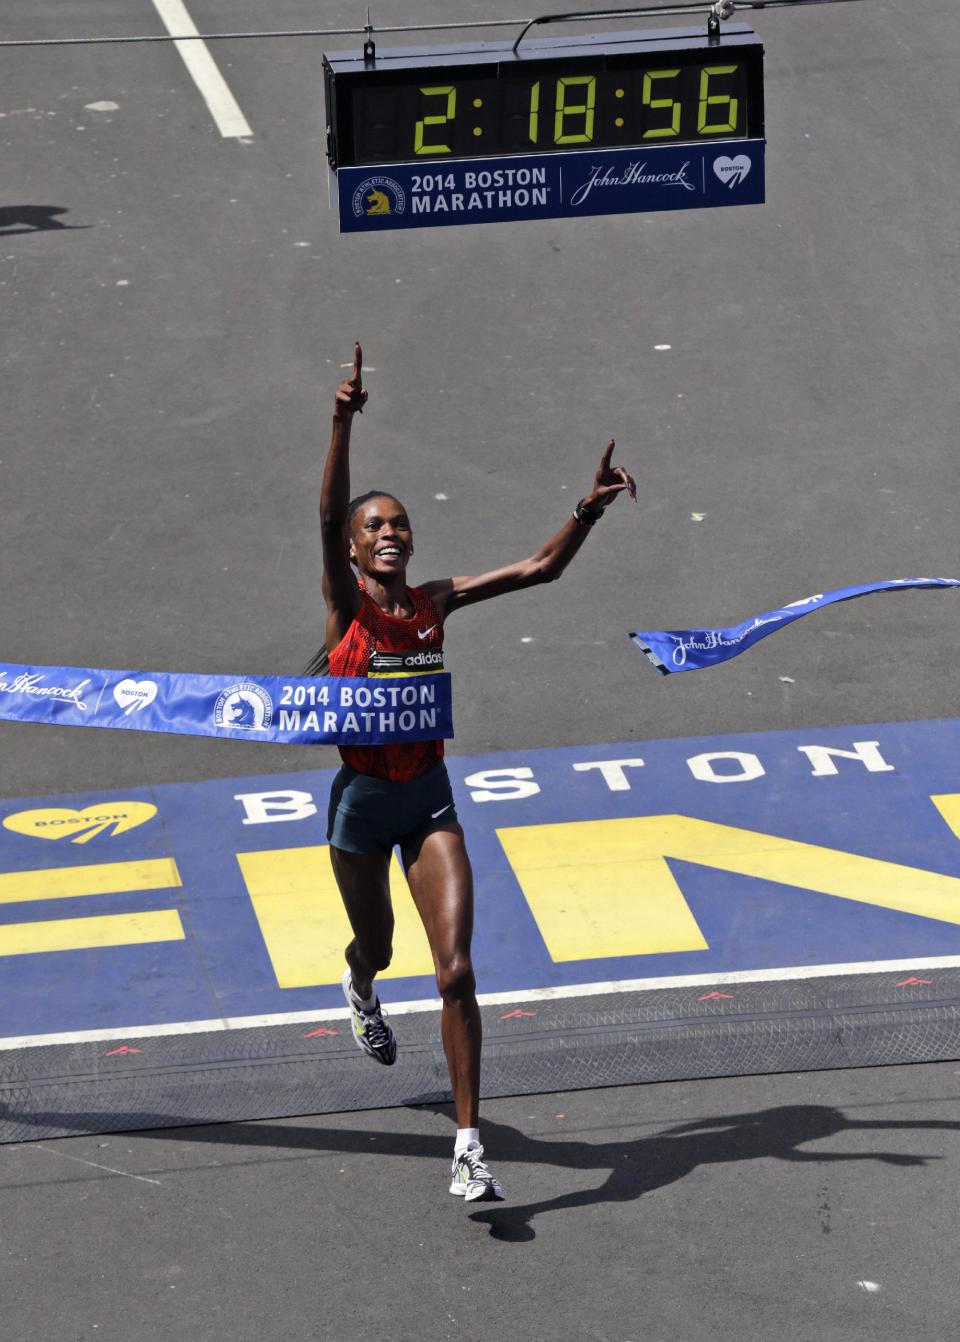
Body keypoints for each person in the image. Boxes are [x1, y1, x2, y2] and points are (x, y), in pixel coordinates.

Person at [319, 343, 635, 1204]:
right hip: (360, 808)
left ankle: (468, 1144)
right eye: (372, 527)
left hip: (427, 803)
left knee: (455, 969)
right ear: (351, 550)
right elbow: (321, 516)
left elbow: (541, 568)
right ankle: (359, 979)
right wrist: (342, 420)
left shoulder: (437, 602)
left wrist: (588, 509)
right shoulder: (350, 607)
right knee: (379, 944)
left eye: (399, 524)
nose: (390, 534)